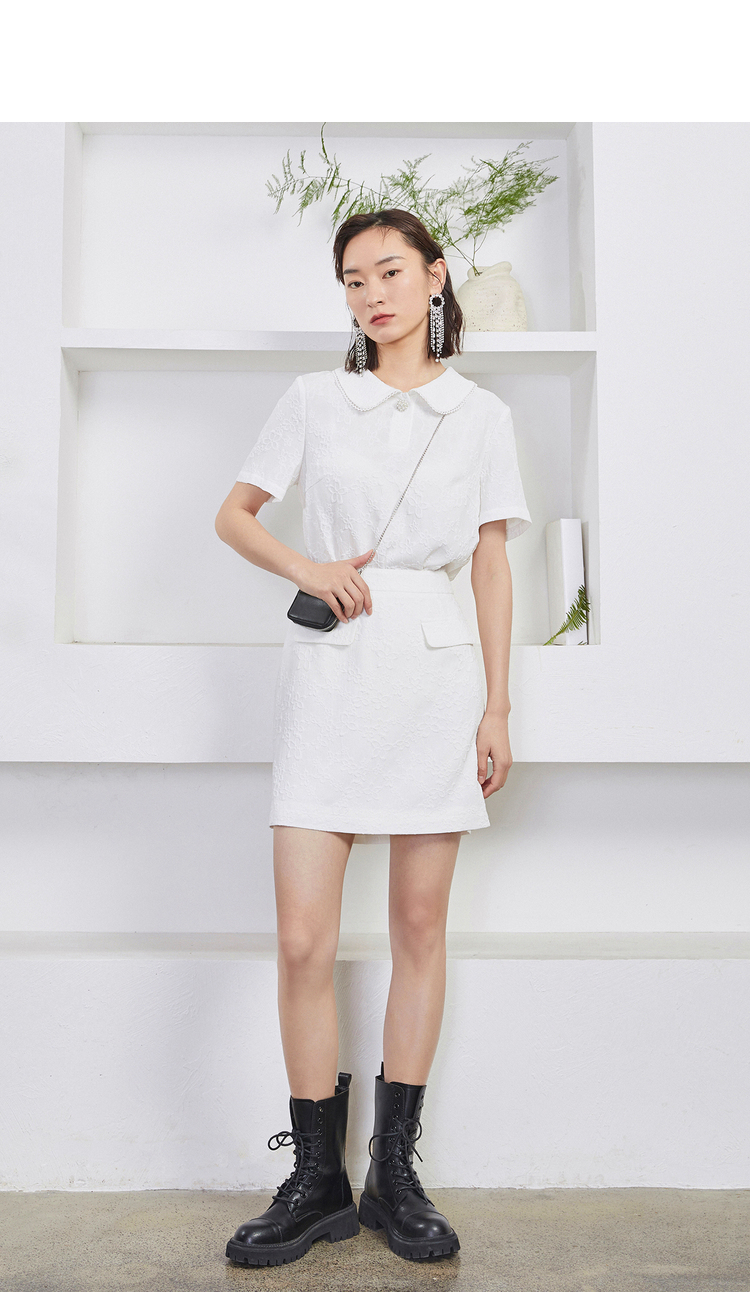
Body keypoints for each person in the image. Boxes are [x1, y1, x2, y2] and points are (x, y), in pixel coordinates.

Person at [214, 207, 531, 1267]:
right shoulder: (316, 398)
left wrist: (497, 706)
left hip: (435, 678)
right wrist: (308, 566)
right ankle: (316, 1182)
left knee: (418, 929)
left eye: (389, 271)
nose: (371, 294)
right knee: (304, 939)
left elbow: (491, 562)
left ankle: (395, 1175)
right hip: (331, 675)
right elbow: (236, 513)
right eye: (353, 280)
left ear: (435, 278)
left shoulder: (480, 414)